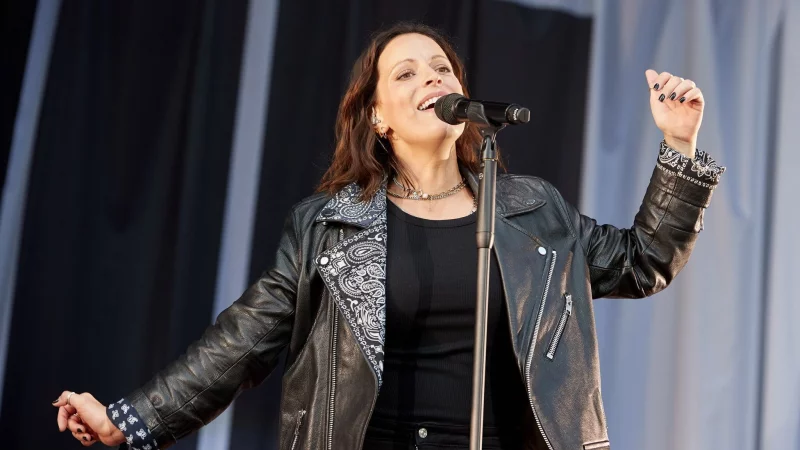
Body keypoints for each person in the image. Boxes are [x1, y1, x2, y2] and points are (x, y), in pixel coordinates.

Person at [52, 22, 723, 450]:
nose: (433, 77)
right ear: (377, 117)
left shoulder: (531, 211)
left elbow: (643, 262)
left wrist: (679, 147)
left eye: (442, 68)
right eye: (407, 73)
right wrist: (129, 420)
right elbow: (242, 340)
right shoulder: (328, 226)